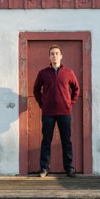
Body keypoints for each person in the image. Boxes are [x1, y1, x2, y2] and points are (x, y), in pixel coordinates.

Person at [32, 44, 80, 177]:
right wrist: (42, 103)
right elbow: (36, 90)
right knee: (46, 140)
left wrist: (71, 103)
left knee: (66, 140)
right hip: (48, 113)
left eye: (57, 53)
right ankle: (44, 169)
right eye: (52, 53)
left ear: (61, 56)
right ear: (49, 56)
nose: (54, 55)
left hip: (65, 112)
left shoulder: (69, 73)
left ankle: (69, 168)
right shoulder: (43, 73)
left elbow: (76, 89)